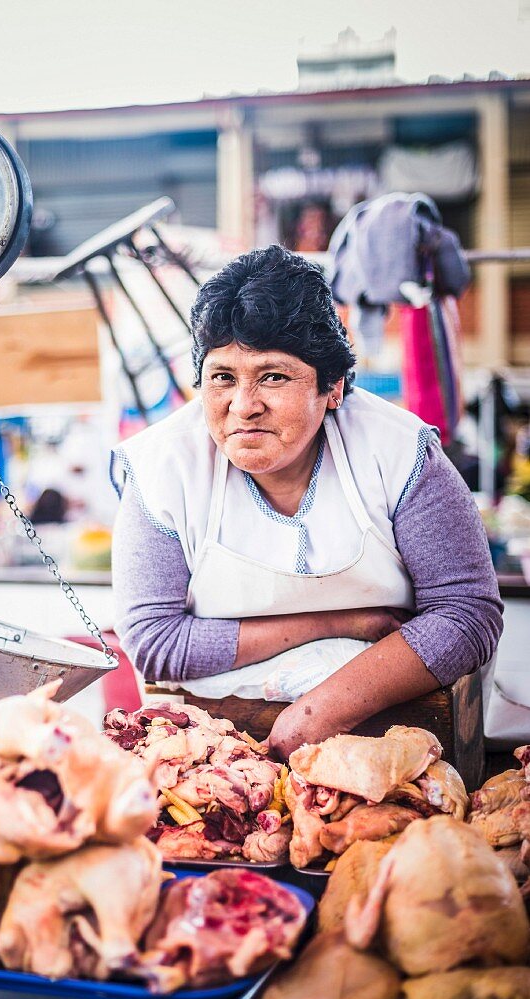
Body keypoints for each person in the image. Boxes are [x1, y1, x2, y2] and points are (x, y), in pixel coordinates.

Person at [110, 245, 503, 759]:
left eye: (273, 376)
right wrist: (337, 623)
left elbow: (467, 613)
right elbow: (154, 643)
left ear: (332, 387)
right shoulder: (163, 470)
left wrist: (319, 712)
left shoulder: (399, 452)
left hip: (412, 738)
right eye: (222, 377)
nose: (244, 406)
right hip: (216, 751)